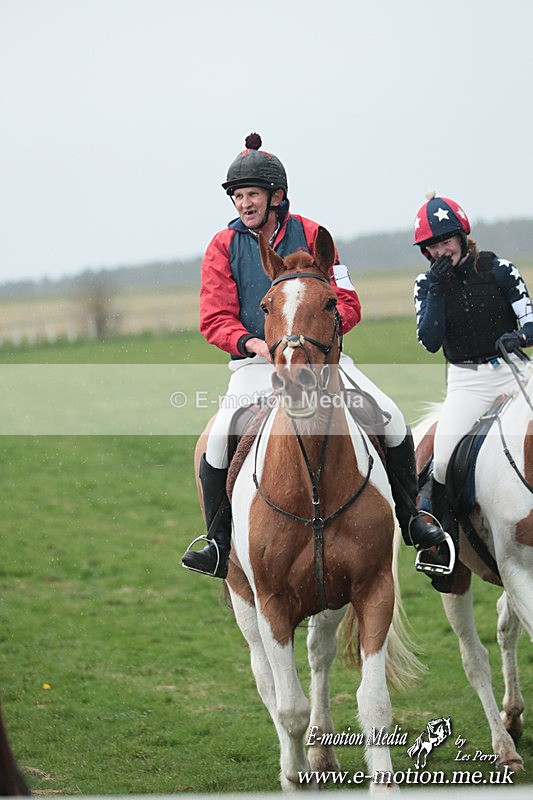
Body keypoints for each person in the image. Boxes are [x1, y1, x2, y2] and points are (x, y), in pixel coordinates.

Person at [181, 134, 445, 579]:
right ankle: (217, 541)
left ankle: (411, 518)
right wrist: (259, 345)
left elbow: (348, 300)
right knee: (218, 440)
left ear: (276, 197)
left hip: (324, 360)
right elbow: (214, 318)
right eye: (238, 196)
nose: (244, 204)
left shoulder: (315, 235)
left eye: (252, 195)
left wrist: (312, 339)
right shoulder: (222, 246)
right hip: (256, 364)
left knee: (392, 417)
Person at [413, 191, 533, 570]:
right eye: (432, 246)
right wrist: (435, 289)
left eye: (446, 241)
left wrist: (522, 337)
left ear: (462, 237)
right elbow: (430, 341)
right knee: (444, 462)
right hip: (467, 383)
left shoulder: (500, 269)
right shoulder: (425, 285)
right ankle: (442, 548)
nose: (441, 251)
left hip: (514, 371)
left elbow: (529, 319)